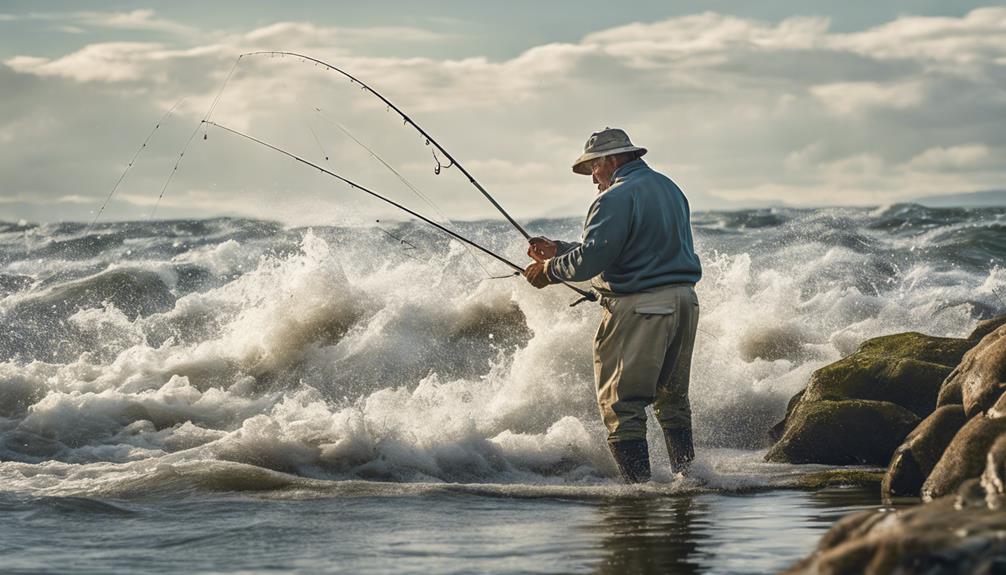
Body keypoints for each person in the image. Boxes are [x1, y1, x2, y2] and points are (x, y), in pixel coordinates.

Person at [523, 127, 702, 483]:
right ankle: (690, 479)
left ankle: (637, 494)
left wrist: (548, 271)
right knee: (673, 401)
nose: (593, 178)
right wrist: (560, 248)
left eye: (594, 168)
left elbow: (592, 261)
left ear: (612, 159)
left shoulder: (614, 198)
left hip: (642, 309)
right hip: (685, 303)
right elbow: (628, 248)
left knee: (622, 404)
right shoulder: (670, 188)